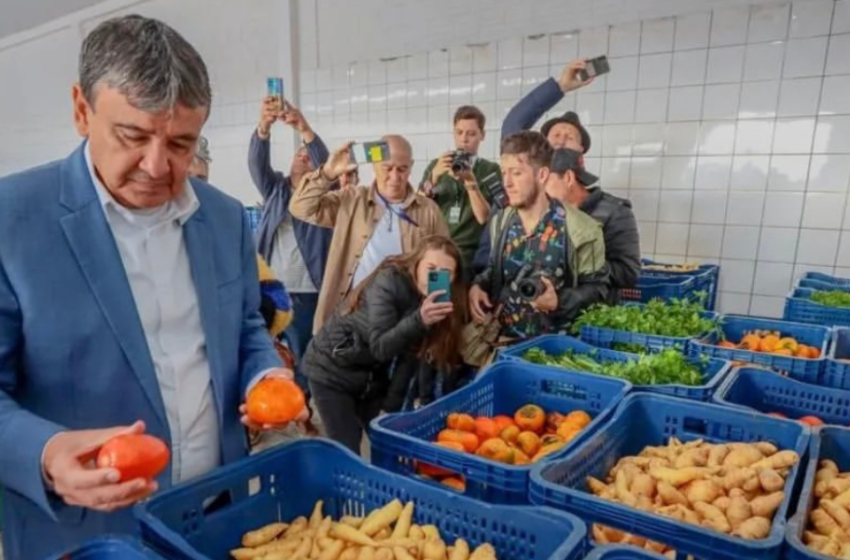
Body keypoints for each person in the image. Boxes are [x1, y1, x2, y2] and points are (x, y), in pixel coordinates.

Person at [0, 16, 304, 560]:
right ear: (81, 110)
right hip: (86, 533)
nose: (157, 165)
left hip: (216, 519)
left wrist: (267, 374)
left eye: (182, 143)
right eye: (133, 136)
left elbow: (245, 327)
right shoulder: (12, 223)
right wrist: (44, 453)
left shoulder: (225, 218)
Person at [303, 235, 466, 454]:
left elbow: (410, 358)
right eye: (431, 267)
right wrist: (420, 319)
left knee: (388, 444)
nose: (435, 276)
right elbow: (381, 347)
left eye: (445, 273)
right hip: (331, 368)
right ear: (416, 264)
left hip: (369, 376)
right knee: (347, 449)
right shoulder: (389, 281)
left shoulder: (436, 304)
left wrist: (389, 409)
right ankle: (340, 486)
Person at [290, 136, 449, 334]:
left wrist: (437, 318)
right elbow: (300, 208)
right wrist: (327, 173)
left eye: (402, 169)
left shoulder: (428, 211)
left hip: (404, 319)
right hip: (349, 316)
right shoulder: (350, 200)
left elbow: (444, 264)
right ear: (374, 165)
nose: (395, 177)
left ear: (411, 166)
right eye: (387, 168)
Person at [469, 131, 609, 341]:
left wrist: (558, 301)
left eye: (516, 173)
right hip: (505, 343)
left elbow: (598, 291)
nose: (506, 182)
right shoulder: (501, 221)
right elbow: (495, 268)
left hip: (556, 350)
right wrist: (479, 285)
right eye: (503, 172)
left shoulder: (582, 230)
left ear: (542, 175)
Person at [249, 97, 331, 382]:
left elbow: (327, 164)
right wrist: (264, 127)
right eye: (299, 152)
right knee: (270, 349)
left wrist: (303, 127)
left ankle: (303, 408)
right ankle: (278, 397)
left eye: (308, 155)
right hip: (274, 287)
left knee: (305, 354)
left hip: (307, 290)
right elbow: (256, 164)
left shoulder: (322, 197)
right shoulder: (275, 189)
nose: (302, 155)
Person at [419, 106, 503, 280]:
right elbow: (416, 208)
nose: (464, 139)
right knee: (439, 301)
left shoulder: (491, 170)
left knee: (463, 304)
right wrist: (433, 177)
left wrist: (471, 183)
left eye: (471, 134)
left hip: (471, 257)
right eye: (459, 132)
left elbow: (484, 218)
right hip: (438, 253)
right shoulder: (437, 165)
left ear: (482, 135)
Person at [546, 149, 640, 302]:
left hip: (592, 311)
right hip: (553, 307)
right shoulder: (549, 212)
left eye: (545, 180)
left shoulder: (616, 213)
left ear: (568, 178)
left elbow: (628, 273)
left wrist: (580, 259)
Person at [500, 59, 594, 147]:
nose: (561, 142)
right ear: (545, 143)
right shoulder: (527, 163)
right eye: (556, 135)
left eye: (570, 138)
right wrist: (561, 86)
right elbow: (512, 124)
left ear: (580, 148)